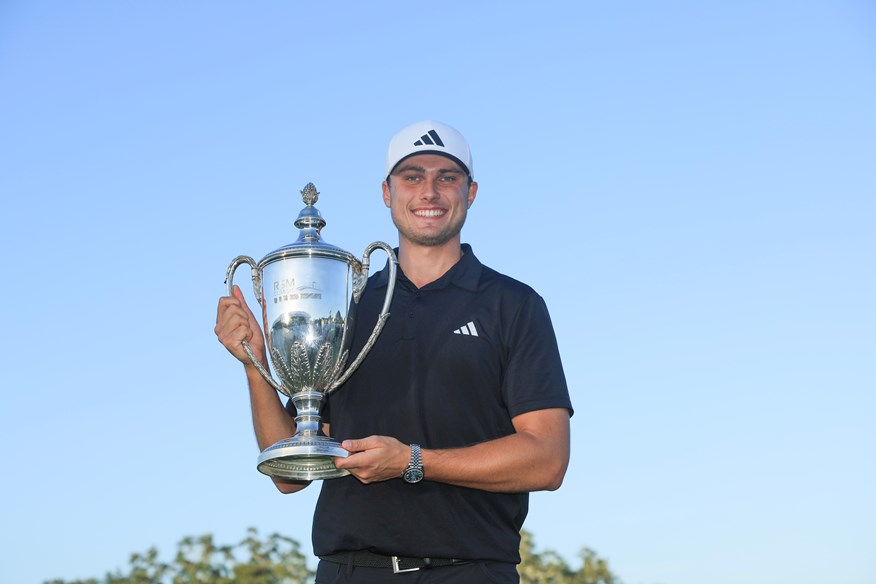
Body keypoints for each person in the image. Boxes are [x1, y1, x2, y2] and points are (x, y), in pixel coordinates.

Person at [215, 120, 573, 583]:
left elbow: (547, 458)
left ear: (471, 192)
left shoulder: (513, 304)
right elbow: (289, 474)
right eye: (412, 177)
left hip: (469, 571)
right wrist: (254, 365)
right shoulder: (347, 307)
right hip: (349, 571)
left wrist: (412, 462)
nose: (430, 191)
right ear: (387, 192)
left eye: (447, 177)